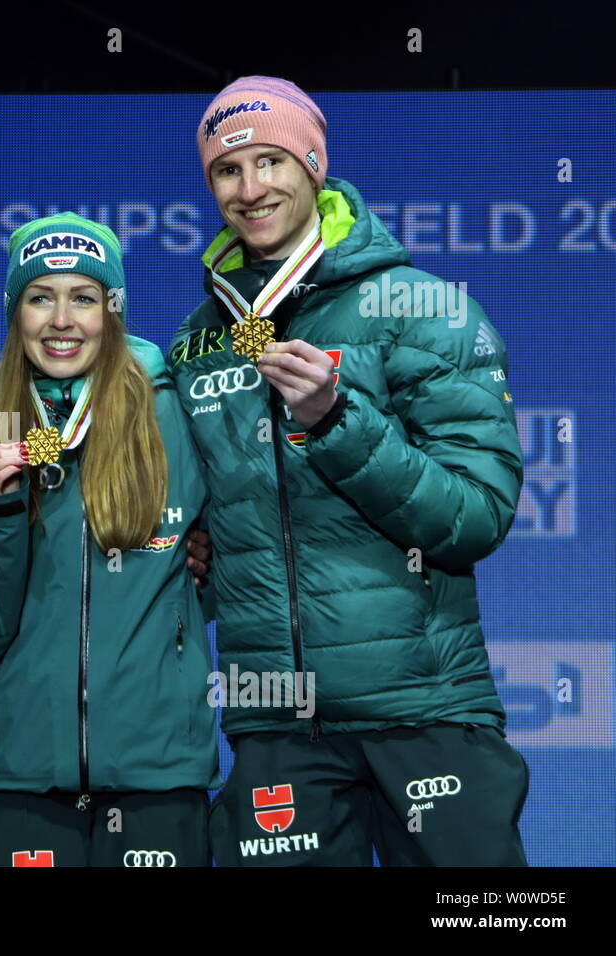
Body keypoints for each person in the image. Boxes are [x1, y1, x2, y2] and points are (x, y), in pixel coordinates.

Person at [169, 76, 529, 866]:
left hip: (425, 710)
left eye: (271, 161)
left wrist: (336, 422)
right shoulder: (196, 345)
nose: (251, 187)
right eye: (227, 171)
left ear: (314, 167)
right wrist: (198, 555)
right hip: (279, 726)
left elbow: (475, 518)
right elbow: (212, 530)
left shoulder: (423, 309)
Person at [0, 213, 219, 867]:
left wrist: (199, 579)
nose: (61, 319)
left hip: (159, 778)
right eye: (41, 297)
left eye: (84, 297)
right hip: (22, 781)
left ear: (112, 310)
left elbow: (239, 547)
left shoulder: (172, 412)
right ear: (16, 312)